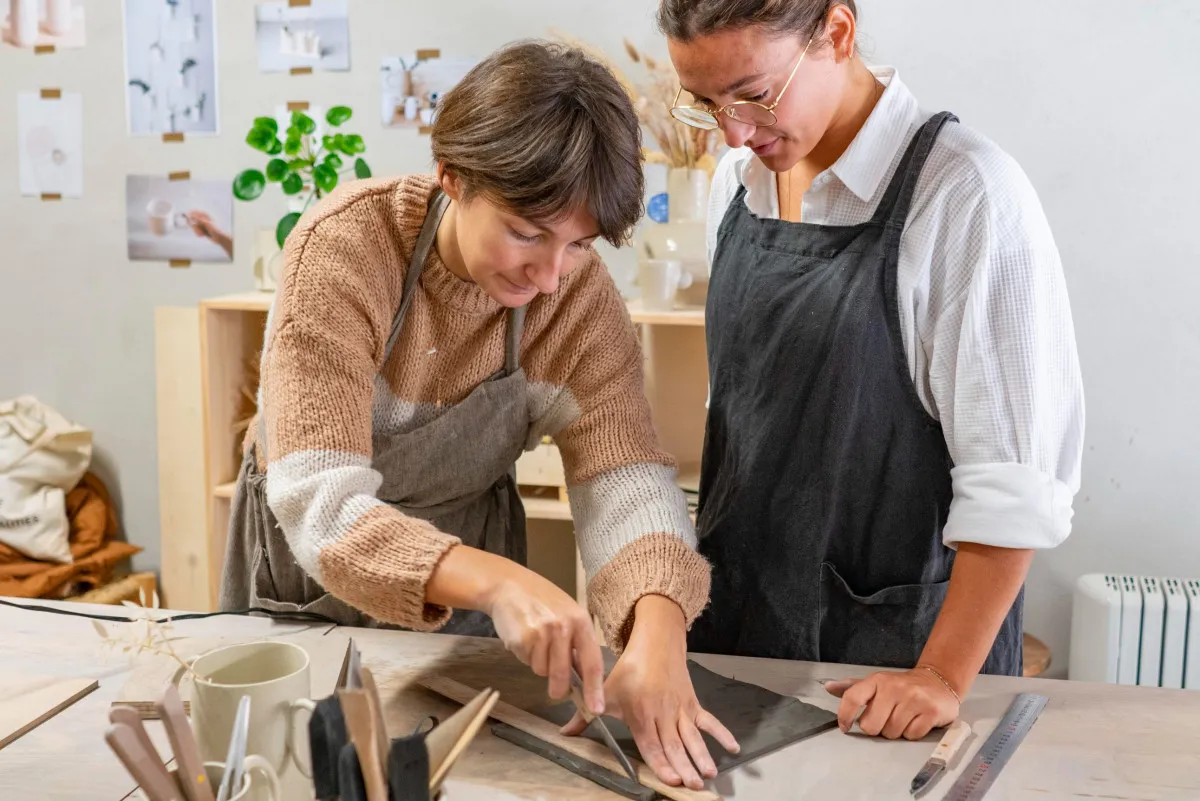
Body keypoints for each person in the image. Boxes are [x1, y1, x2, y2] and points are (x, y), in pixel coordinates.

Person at [218, 40, 737, 789]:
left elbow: (623, 480)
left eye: (580, 244)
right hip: (314, 571)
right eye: (527, 232)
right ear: (452, 176)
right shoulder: (345, 249)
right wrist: (497, 583)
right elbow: (318, 502)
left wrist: (657, 626)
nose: (550, 275)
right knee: (291, 771)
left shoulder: (577, 301)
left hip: (466, 576)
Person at [659, 0, 1084, 741]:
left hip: (894, 673)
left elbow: (1015, 481)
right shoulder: (737, 181)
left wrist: (942, 676)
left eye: (754, 93)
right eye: (705, 103)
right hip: (738, 636)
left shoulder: (966, 196)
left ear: (839, 32)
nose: (731, 130)